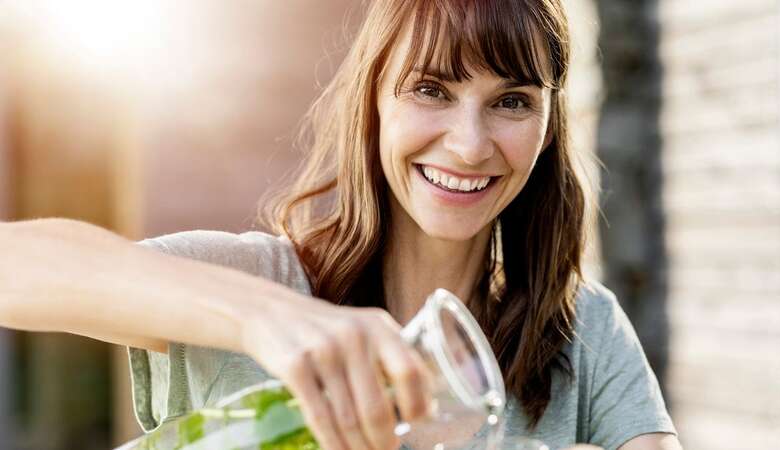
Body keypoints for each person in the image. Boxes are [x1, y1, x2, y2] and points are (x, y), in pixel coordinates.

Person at [0, 0, 683, 449]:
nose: (471, 145)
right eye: (431, 90)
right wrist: (260, 318)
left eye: (511, 100)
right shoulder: (260, 280)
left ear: (548, 125)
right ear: (375, 102)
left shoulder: (583, 331)